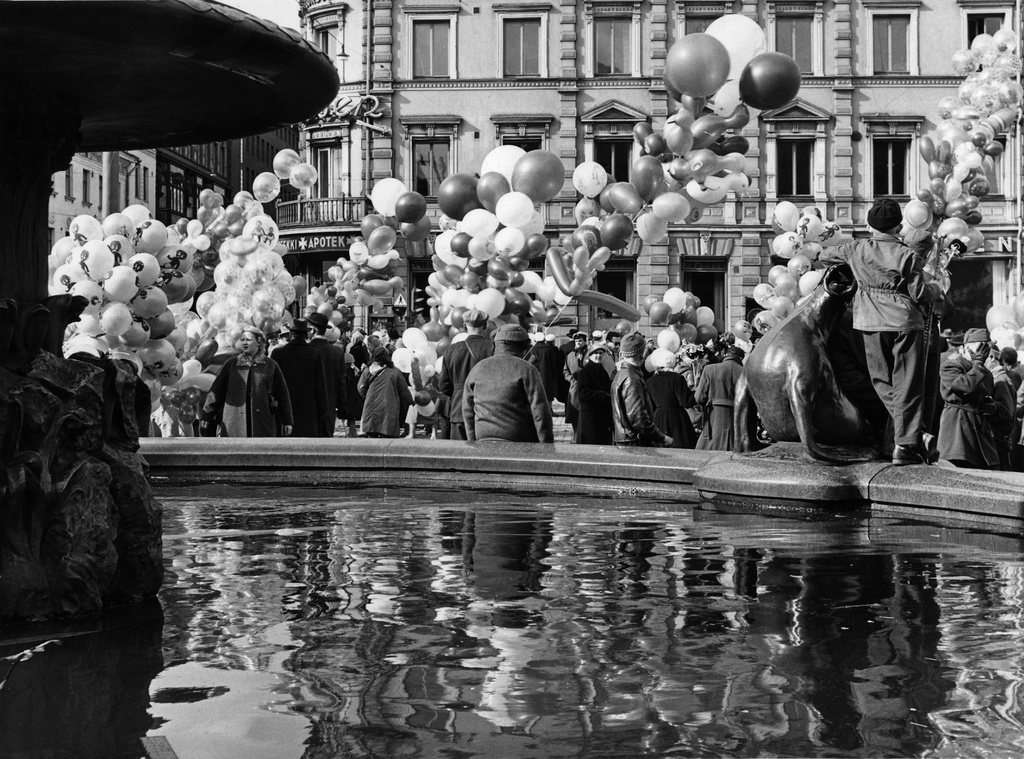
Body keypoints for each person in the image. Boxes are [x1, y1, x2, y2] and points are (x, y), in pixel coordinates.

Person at [819, 198, 940, 465]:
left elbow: (825, 256)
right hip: (905, 323)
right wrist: (937, 289)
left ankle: (911, 440)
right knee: (908, 386)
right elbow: (919, 293)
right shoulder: (907, 254)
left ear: (870, 226)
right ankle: (908, 443)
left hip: (870, 323)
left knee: (881, 382)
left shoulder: (856, 249)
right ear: (898, 227)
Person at [463, 324, 554, 443]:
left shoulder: (477, 369)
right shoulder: (526, 369)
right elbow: (540, 412)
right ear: (523, 347)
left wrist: (472, 440)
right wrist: (547, 447)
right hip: (520, 443)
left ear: (495, 345)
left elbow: (467, 410)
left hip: (483, 439)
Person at [202, 327, 293, 437]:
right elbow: (216, 392)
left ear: (259, 342)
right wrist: (206, 416)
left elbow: (282, 394)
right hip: (234, 423)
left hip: (262, 423)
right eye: (242, 339)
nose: (244, 343)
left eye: (248, 340)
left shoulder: (271, 365)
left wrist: (287, 421)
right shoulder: (231, 364)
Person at [937, 328, 1000, 469]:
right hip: (958, 433)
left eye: (986, 349)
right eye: (980, 348)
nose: (984, 354)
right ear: (966, 349)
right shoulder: (951, 366)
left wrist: (994, 407)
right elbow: (965, 387)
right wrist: (978, 364)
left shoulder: (985, 373)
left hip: (982, 434)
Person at [439, 309, 494, 440]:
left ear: (464, 326)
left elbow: (444, 386)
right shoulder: (493, 348)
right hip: (488, 409)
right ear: (485, 326)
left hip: (459, 409)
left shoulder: (452, 349)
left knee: (459, 455)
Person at [610, 332, 672, 447]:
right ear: (642, 353)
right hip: (633, 442)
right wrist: (662, 438)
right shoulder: (631, 378)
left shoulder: (624, 373)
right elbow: (638, 419)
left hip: (627, 440)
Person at [271, 319, 330, 437]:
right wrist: (322, 410)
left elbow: (273, 384)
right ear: (306, 334)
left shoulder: (277, 353)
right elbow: (320, 385)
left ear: (291, 334)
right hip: (309, 409)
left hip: (284, 409)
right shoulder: (314, 354)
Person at [695, 345, 745, 451]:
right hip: (736, 420)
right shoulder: (745, 373)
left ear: (725, 355)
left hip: (713, 419)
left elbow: (699, 398)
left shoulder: (709, 369)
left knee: (705, 453)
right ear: (740, 358)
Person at [647, 350, 698, 448]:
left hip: (658, 417)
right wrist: (693, 393)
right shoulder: (677, 378)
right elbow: (686, 402)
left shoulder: (650, 381)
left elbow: (650, 404)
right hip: (677, 418)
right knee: (681, 446)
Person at [358, 346, 413, 438]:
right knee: (388, 437)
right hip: (389, 407)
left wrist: (367, 396)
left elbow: (361, 387)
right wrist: (410, 401)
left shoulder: (368, 371)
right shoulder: (395, 372)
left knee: (372, 439)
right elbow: (403, 390)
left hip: (371, 408)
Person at [306, 312, 346, 437]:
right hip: (330, 405)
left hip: (309, 407)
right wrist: (342, 408)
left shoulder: (306, 350)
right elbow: (341, 383)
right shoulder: (337, 352)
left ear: (312, 330)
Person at [574, 343, 614, 445]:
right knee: (590, 444)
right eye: (595, 353)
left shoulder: (601, 370)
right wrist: (602, 395)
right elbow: (583, 393)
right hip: (590, 415)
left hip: (600, 413)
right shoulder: (585, 371)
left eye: (601, 353)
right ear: (590, 355)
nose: (598, 356)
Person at [986, 347, 1017, 471]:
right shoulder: (996, 378)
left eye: (984, 358)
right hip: (996, 440)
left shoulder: (1001, 380)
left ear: (992, 358)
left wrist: (991, 407)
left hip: (998, 441)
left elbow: (1006, 413)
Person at [562, 331, 588, 435]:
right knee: (574, 414)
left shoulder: (591, 354)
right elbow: (565, 371)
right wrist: (571, 379)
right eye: (577, 341)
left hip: (587, 388)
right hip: (574, 388)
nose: (578, 343)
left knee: (586, 414)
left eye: (580, 341)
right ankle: (576, 434)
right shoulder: (570, 356)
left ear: (585, 341)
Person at [527, 332, 564, 404]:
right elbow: (553, 362)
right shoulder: (548, 349)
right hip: (548, 374)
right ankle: (550, 409)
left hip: (536, 374)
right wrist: (554, 374)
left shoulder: (533, 349)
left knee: (537, 392)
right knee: (548, 393)